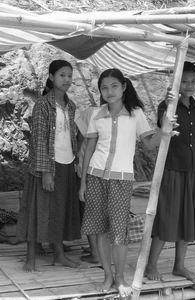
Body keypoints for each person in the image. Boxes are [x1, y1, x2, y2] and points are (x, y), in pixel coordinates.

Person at [79, 68, 178, 297]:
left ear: (124, 87)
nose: (109, 91)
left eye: (114, 86)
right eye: (104, 87)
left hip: (122, 181)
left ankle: (121, 278)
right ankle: (108, 276)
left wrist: (164, 128)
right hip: (95, 177)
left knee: (118, 233)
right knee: (99, 231)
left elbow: (150, 144)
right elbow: (89, 150)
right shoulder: (97, 115)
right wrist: (83, 182)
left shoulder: (136, 115)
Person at [145, 61, 195, 284]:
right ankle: (151, 264)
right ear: (176, 82)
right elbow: (163, 128)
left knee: (188, 219)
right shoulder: (167, 107)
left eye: (193, 81)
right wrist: (169, 104)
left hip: (194, 172)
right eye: (185, 80)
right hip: (172, 170)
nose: (190, 85)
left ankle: (179, 266)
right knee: (167, 217)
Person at [16, 59, 81, 272]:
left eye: (69, 76)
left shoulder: (71, 106)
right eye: (62, 75)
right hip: (46, 166)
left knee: (59, 211)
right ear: (52, 77)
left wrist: (76, 163)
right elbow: (39, 140)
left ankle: (59, 255)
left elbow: (73, 137)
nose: (67, 80)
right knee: (39, 209)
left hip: (66, 164)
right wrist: (46, 172)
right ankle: (30, 258)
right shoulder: (42, 104)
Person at [75, 107, 99, 264]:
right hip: (105, 170)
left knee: (88, 213)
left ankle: (95, 253)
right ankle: (97, 250)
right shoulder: (123, 115)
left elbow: (80, 137)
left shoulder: (91, 112)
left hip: (88, 169)